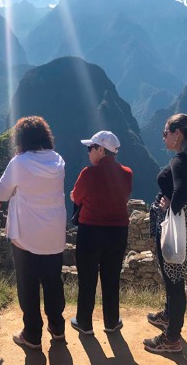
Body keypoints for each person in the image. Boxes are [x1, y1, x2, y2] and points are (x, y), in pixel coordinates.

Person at [0, 116, 67, 349]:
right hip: (54, 234)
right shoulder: (58, 161)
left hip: (26, 235)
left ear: (21, 139)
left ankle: (32, 334)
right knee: (53, 282)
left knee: (29, 285)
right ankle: (57, 327)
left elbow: (0, 193)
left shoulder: (19, 163)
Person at [145, 113, 187, 353]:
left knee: (174, 282)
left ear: (177, 133)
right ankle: (169, 316)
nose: (163, 138)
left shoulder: (180, 161)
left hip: (175, 226)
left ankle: (172, 339)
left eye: (165, 133)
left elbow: (179, 191)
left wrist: (170, 206)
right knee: (176, 277)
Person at [69, 131, 132, 336]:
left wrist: (76, 195)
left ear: (101, 150)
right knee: (111, 277)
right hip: (118, 232)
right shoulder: (127, 173)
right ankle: (111, 322)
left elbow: (77, 197)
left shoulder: (88, 173)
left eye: (91, 148)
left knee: (87, 277)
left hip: (91, 232)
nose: (88, 152)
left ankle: (84, 322)